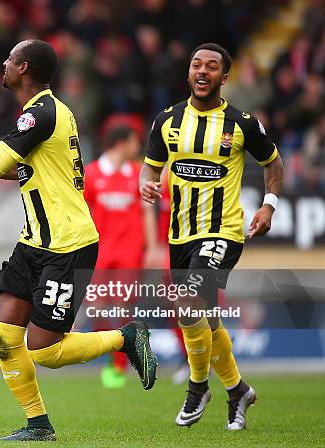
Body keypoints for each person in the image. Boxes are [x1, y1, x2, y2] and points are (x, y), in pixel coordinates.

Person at [0, 39, 157, 442]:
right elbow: (25, 171)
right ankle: (38, 424)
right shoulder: (47, 113)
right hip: (35, 243)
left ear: (24, 68)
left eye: (10, 59)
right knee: (3, 334)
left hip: (68, 244)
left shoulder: (41, 115)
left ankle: (126, 337)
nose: (4, 64)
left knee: (44, 349)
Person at [140, 43, 284, 430]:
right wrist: (147, 186)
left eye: (212, 66)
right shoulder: (166, 121)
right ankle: (237, 390)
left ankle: (197, 385)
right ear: (188, 73)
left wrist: (269, 205)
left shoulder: (241, 123)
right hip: (179, 235)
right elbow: (149, 170)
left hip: (222, 230)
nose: (202, 71)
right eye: (196, 65)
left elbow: (273, 162)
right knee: (203, 318)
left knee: (190, 301)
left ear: (225, 77)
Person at [83, 125, 162, 389]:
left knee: (122, 309)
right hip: (99, 252)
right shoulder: (92, 173)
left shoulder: (139, 174)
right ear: (120, 143)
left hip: (130, 252)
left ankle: (117, 365)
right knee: (95, 308)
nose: (138, 147)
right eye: (134, 141)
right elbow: (81, 211)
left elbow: (148, 212)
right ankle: (116, 355)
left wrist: (153, 248)